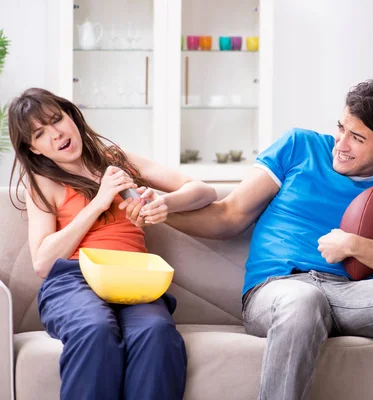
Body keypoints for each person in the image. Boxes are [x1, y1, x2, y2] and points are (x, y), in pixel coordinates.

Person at [168, 78, 373, 400]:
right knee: (305, 301)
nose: (341, 144)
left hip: (354, 295)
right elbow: (229, 215)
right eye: (341, 128)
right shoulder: (298, 147)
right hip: (279, 289)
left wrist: (353, 246)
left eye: (357, 138)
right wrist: (159, 213)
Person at [8, 88, 217, 400]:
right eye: (40, 133)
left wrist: (165, 203)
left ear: (71, 116)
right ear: (34, 148)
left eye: (57, 120)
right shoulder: (43, 182)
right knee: (95, 330)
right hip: (72, 280)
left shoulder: (118, 160)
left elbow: (203, 191)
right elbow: (43, 262)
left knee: (156, 334)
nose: (57, 134)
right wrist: (99, 200)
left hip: (134, 278)